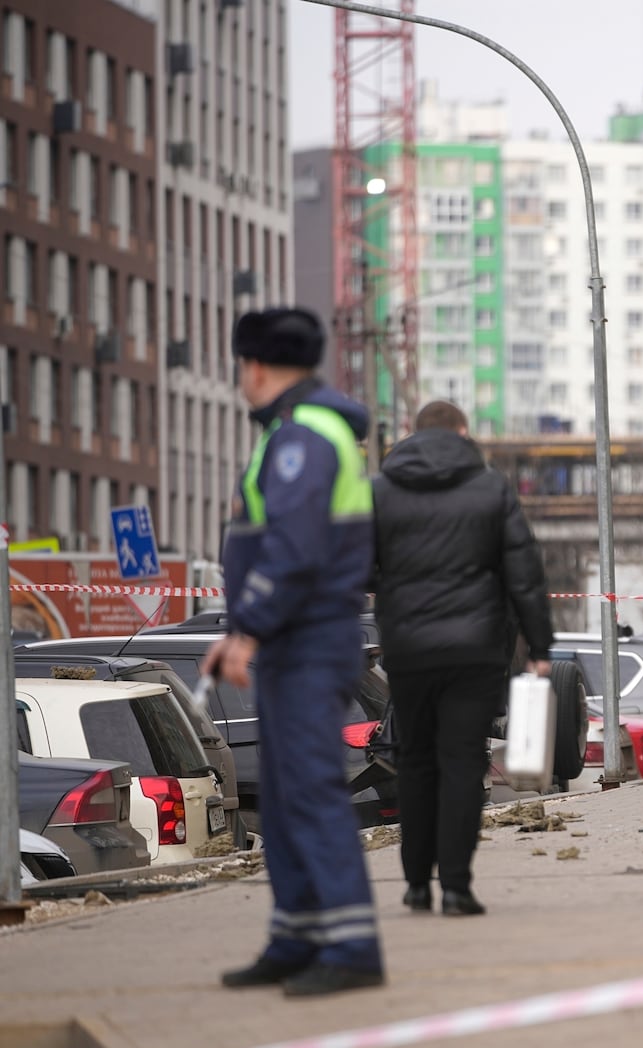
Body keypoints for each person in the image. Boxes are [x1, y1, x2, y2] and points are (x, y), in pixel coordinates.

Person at [205, 308, 384, 996]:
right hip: (293, 635)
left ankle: (351, 944)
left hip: (308, 636)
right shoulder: (297, 430)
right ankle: (297, 935)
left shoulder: (303, 437)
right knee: (282, 798)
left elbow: (294, 546)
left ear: (253, 365)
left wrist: (247, 628)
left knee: (309, 792)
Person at [371, 400, 556, 916]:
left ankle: (413, 883)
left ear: (412, 432)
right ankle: (455, 887)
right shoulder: (492, 488)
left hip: (408, 650)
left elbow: (358, 568)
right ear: (462, 432)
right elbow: (525, 573)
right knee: (460, 762)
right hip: (475, 651)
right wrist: (540, 649)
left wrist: (395, 584)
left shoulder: (381, 491)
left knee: (415, 761)